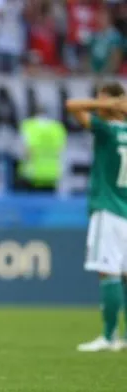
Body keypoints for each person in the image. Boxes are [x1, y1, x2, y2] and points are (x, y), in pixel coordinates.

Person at [66, 82, 127, 353]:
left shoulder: (106, 130)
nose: (98, 104)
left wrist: (107, 105)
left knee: (109, 272)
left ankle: (108, 336)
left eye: (101, 99)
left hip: (108, 209)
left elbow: (72, 106)